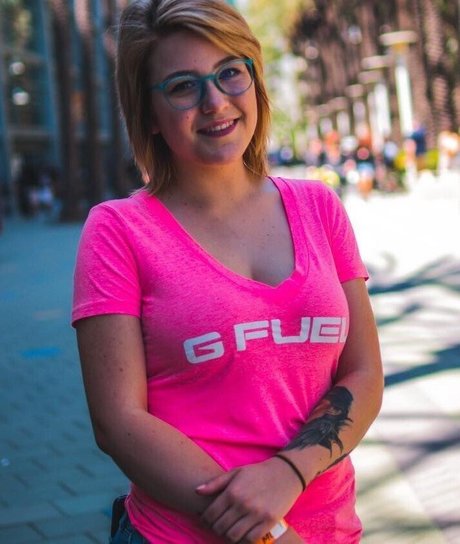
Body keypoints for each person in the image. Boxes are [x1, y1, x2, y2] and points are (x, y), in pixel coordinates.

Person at [72, 0, 384, 542]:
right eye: (182, 86)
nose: (215, 100)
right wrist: (269, 533)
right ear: (149, 114)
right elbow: (119, 423)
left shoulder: (318, 206)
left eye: (229, 73)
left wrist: (289, 472)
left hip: (332, 528)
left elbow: (363, 373)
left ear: (254, 81)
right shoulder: (117, 230)